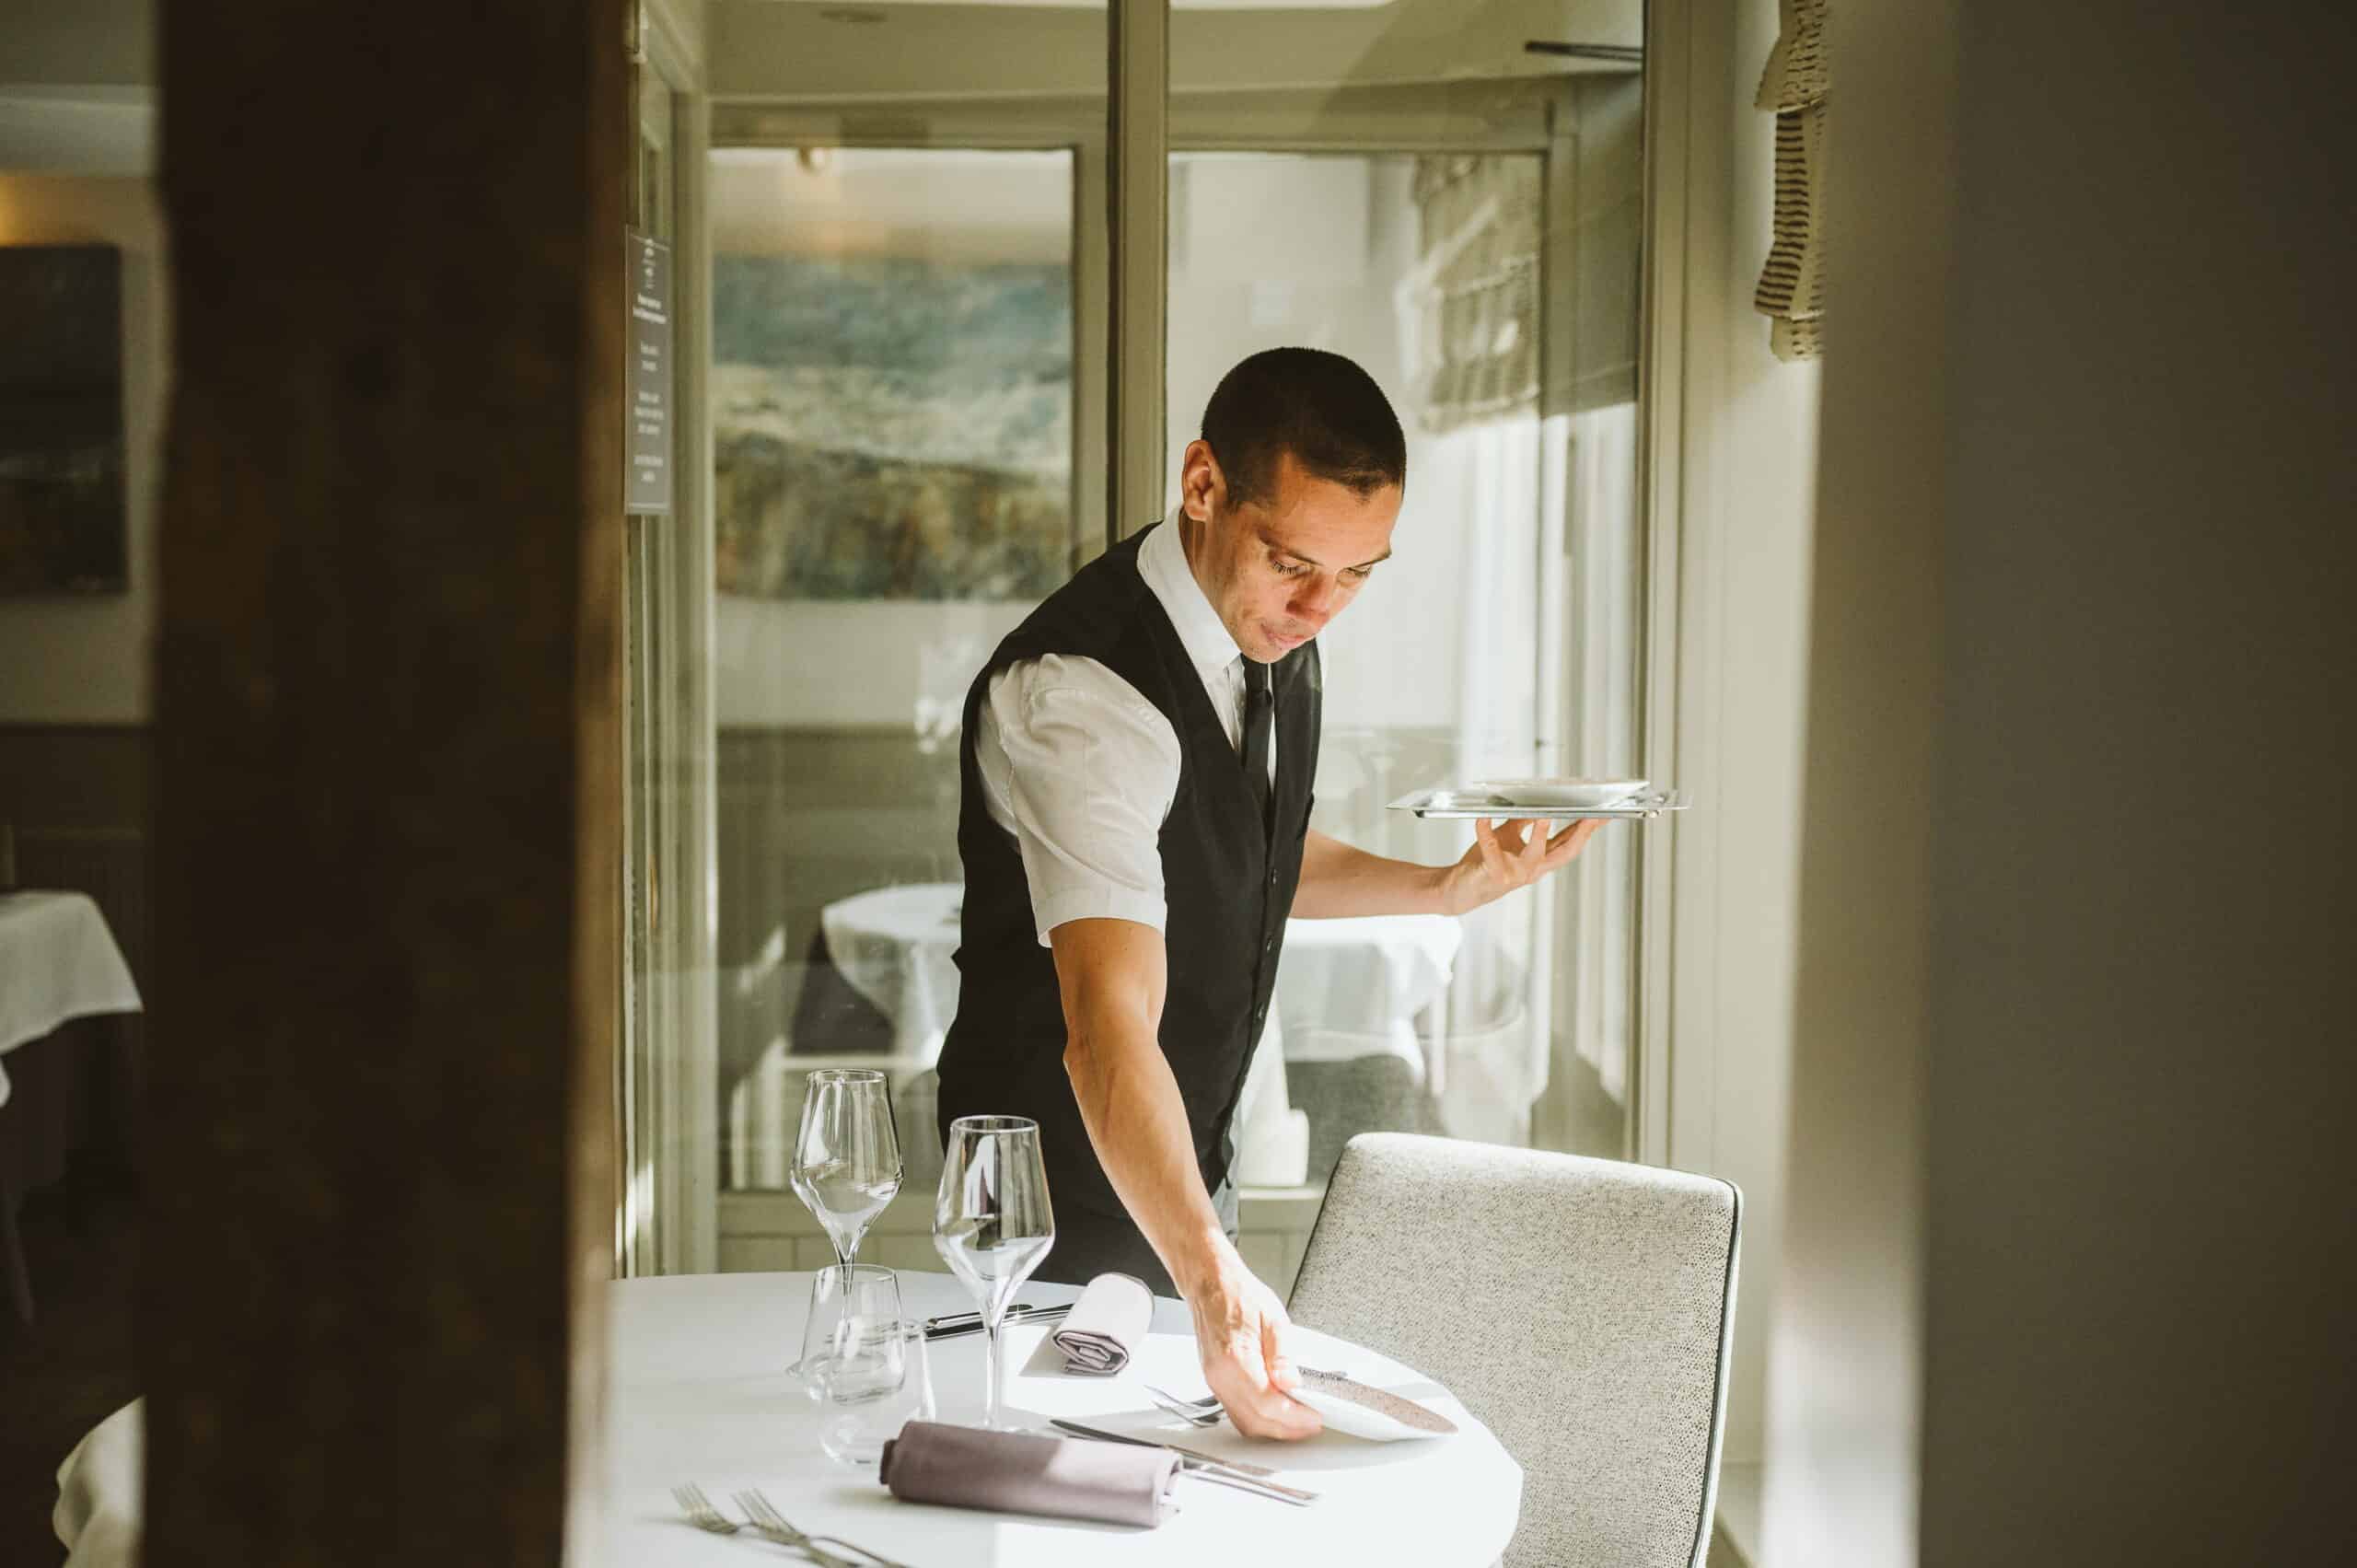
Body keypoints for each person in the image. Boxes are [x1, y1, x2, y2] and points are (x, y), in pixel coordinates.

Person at [934, 347, 1601, 1439]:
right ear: (1202, 485)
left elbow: (1245, 856)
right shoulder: (1082, 699)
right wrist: (1211, 1274)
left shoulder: (1266, 634)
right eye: (1293, 561)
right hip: (1049, 1210)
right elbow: (1104, 1034)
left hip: (1180, 1166)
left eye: (1356, 574)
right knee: (1052, 1507)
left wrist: (1446, 886)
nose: (1318, 606)